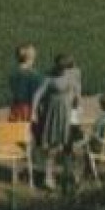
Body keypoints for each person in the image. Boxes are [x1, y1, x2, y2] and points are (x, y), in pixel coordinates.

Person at [32, 54, 83, 189]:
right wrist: (33, 112)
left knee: (69, 147)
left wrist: (77, 105)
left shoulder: (74, 73)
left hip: (69, 114)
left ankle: (69, 175)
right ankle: (48, 177)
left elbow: (77, 94)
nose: (63, 71)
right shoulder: (50, 76)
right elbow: (38, 94)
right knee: (52, 147)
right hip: (55, 113)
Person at [7, 44, 42, 122]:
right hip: (28, 108)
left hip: (16, 106)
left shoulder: (13, 73)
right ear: (30, 59)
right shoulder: (33, 75)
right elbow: (36, 95)